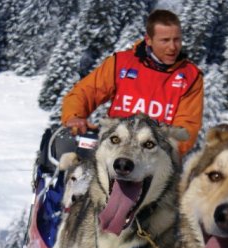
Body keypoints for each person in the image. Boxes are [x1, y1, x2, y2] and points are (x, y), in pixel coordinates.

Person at [61, 9, 204, 156]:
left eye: (177, 39)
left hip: (154, 157)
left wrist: (163, 148)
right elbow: (85, 91)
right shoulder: (122, 63)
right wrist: (74, 116)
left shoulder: (190, 76)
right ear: (148, 40)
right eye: (165, 40)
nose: (173, 47)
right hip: (112, 149)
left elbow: (187, 128)